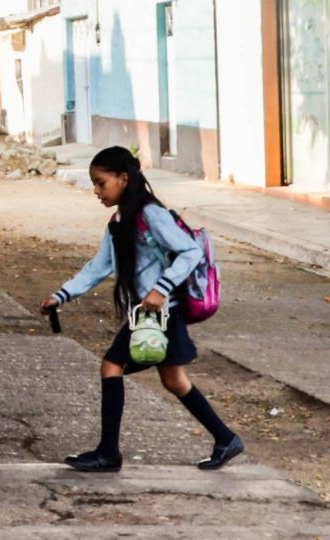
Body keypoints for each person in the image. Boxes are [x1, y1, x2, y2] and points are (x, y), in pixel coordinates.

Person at [39, 146, 244, 472]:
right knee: (175, 381)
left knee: (112, 366)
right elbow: (99, 266)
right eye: (94, 183)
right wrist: (62, 295)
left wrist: (160, 290)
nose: (96, 190)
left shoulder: (150, 214)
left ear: (123, 178)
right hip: (150, 315)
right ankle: (226, 438)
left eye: (101, 182)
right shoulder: (119, 220)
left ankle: (108, 454)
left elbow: (189, 252)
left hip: (162, 313)